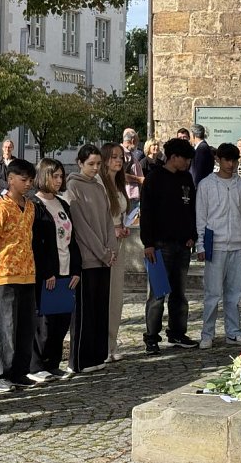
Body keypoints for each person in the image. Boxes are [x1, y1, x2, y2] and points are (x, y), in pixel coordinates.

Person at [140, 138, 199, 354]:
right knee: (157, 294)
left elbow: (191, 209)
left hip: (183, 245)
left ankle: (177, 332)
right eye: (186, 159)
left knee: (179, 293)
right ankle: (151, 337)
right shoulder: (154, 178)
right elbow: (146, 212)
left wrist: (192, 235)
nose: (188, 164)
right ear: (174, 157)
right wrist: (148, 243)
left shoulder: (186, 178)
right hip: (159, 245)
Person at [0, 158, 38, 392]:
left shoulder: (31, 207)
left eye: (30, 180)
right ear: (10, 179)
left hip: (27, 273)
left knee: (25, 327)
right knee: (4, 327)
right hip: (4, 274)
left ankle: (19, 372)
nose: (28, 184)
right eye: (23, 179)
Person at [65, 144, 117, 373]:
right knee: (85, 311)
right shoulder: (73, 186)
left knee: (100, 308)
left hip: (104, 258)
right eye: (91, 164)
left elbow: (107, 219)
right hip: (88, 257)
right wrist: (102, 252)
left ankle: (98, 355)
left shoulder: (98, 186)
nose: (95, 168)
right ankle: (81, 360)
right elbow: (81, 227)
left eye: (98, 164)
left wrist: (111, 249)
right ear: (80, 163)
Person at [195, 143, 241, 349]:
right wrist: (201, 244)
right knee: (212, 293)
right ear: (218, 160)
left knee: (235, 292)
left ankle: (234, 332)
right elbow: (201, 216)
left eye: (234, 160)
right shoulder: (206, 184)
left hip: (236, 243)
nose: (230, 164)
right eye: (227, 160)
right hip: (215, 244)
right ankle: (207, 333)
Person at [29, 159, 81, 381]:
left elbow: (72, 238)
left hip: (66, 269)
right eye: (55, 176)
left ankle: (53, 363)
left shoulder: (62, 204)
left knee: (62, 319)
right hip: (47, 272)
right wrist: (46, 272)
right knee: (45, 322)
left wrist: (76, 269)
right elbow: (37, 244)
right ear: (43, 176)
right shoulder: (34, 205)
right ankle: (36, 366)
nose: (59, 180)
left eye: (61, 176)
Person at [100, 142, 131, 362]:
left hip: (119, 243)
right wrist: (114, 229)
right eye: (114, 157)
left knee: (116, 296)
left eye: (121, 157)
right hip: (104, 243)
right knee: (105, 294)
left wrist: (123, 226)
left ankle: (111, 343)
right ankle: (102, 344)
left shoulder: (119, 184)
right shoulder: (100, 185)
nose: (118, 161)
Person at [121, 128, 144, 210]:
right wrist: (139, 179)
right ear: (133, 140)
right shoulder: (121, 153)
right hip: (127, 197)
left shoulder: (130, 153)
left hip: (133, 197)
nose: (137, 144)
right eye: (137, 141)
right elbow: (120, 174)